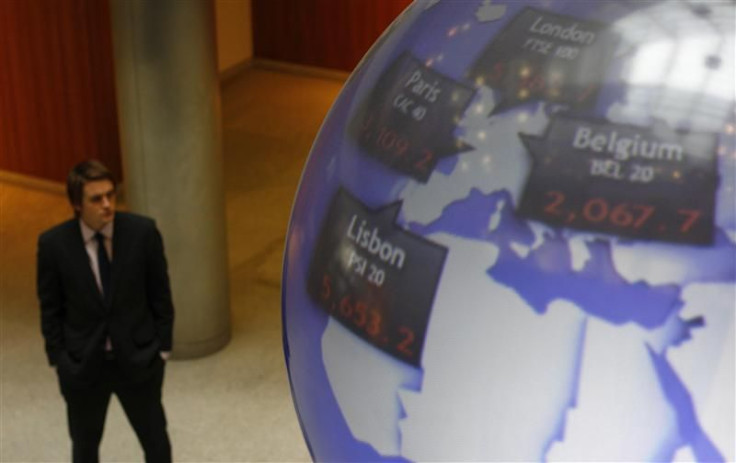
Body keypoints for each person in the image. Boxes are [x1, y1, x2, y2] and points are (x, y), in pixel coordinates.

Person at [37, 160, 174, 463]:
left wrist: (162, 348)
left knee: (157, 444)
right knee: (85, 449)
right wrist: (60, 360)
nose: (107, 204)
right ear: (76, 203)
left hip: (139, 361)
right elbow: (51, 309)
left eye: (110, 195)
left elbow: (160, 295)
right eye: (96, 199)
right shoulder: (53, 245)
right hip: (83, 367)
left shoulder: (142, 232)